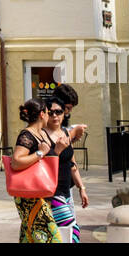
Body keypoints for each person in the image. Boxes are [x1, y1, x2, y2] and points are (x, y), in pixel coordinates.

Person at [8, 98, 68, 243]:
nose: (50, 115)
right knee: (50, 236)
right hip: (30, 194)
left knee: (31, 234)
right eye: (48, 112)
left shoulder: (40, 133)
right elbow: (16, 162)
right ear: (42, 114)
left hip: (40, 192)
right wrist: (39, 153)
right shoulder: (26, 135)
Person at [44, 96, 88, 241]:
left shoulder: (65, 133)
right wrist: (56, 150)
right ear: (44, 114)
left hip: (65, 192)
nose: (55, 115)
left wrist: (81, 188)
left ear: (64, 113)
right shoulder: (42, 135)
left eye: (59, 112)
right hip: (51, 192)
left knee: (61, 233)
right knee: (72, 230)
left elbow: (72, 165)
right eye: (51, 112)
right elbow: (42, 165)